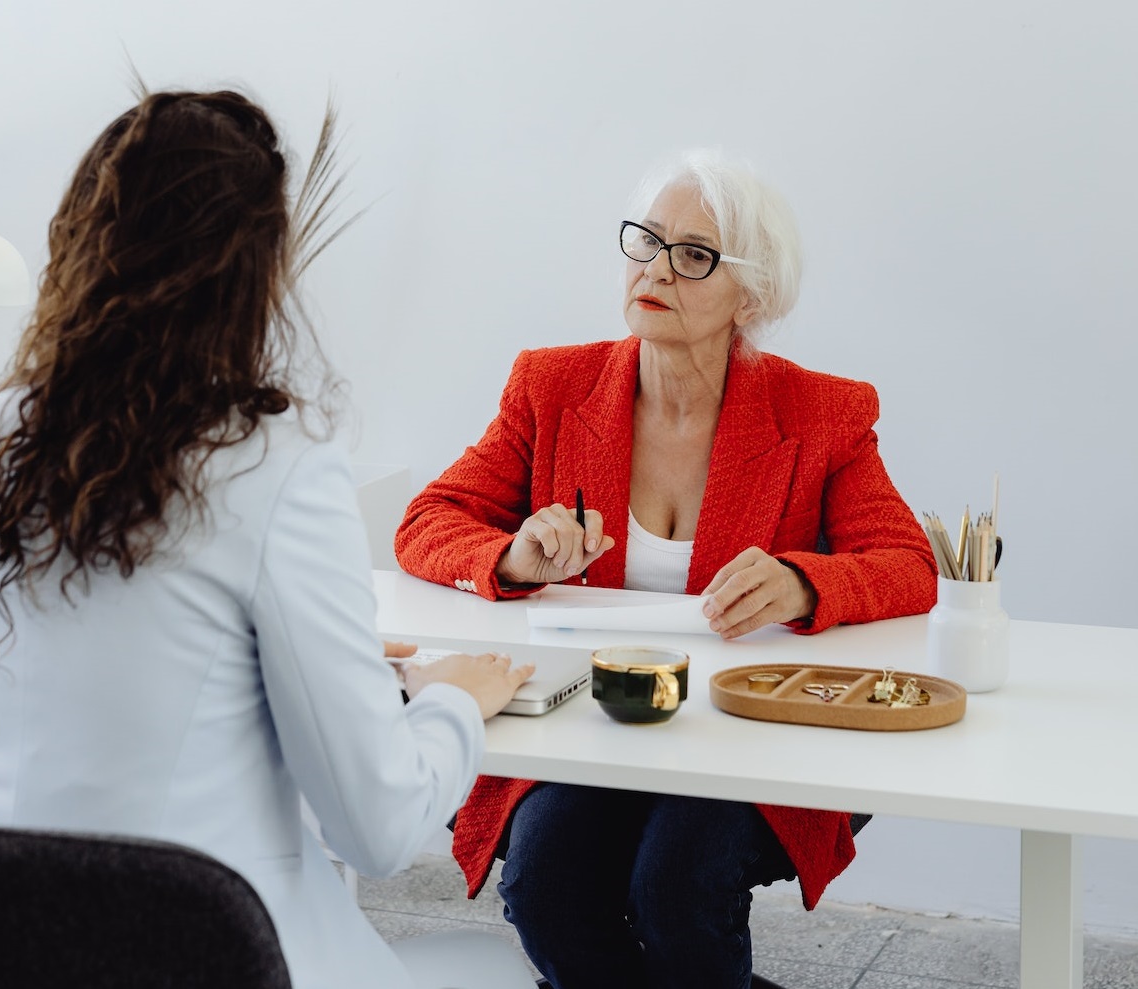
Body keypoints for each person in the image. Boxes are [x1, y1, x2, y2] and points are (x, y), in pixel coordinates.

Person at [0, 90, 538, 989]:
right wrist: (447, 702)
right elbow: (380, 827)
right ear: (252, 273)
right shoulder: (273, 464)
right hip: (202, 953)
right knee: (498, 969)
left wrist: (314, 675)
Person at [394, 148, 938, 989]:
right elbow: (428, 522)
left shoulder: (823, 412)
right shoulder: (551, 385)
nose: (655, 269)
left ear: (749, 296)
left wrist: (802, 580)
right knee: (546, 887)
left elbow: (905, 563)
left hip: (746, 739)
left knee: (676, 891)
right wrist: (509, 554)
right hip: (595, 728)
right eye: (645, 242)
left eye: (693, 254)